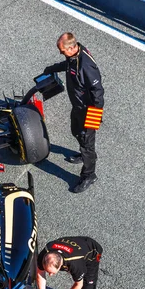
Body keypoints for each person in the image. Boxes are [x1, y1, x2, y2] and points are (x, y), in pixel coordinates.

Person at [44, 32, 104, 193]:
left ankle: (89, 175)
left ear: (71, 48)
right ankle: (84, 153)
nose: (61, 53)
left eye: (62, 51)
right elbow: (68, 65)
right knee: (76, 131)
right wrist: (51, 69)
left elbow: (98, 92)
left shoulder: (85, 66)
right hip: (78, 107)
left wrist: (95, 117)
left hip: (89, 111)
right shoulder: (74, 56)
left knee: (87, 143)